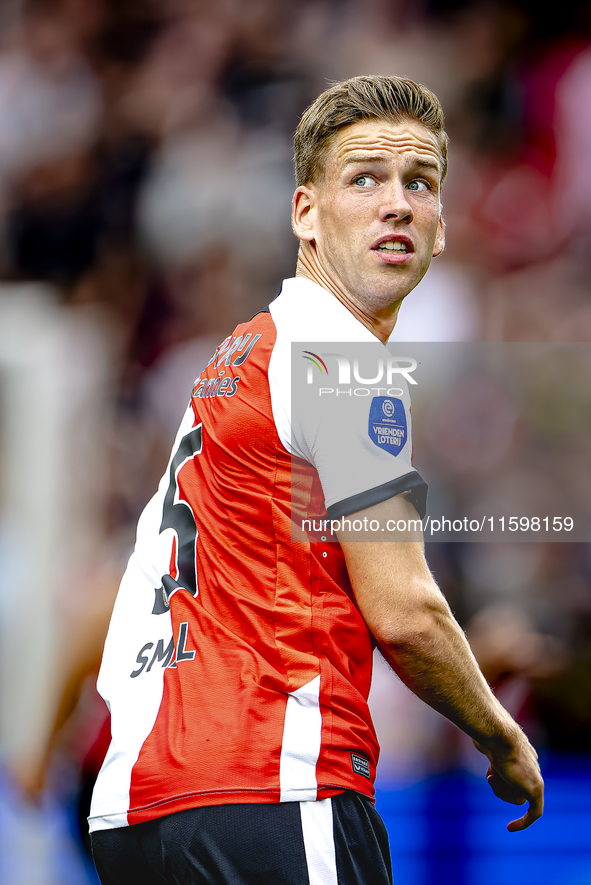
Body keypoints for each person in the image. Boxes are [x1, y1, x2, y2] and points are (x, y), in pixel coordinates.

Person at [89, 75, 544, 885]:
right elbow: (404, 610)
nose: (397, 203)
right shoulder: (343, 362)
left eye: (420, 183)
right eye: (363, 178)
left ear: (440, 229)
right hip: (273, 790)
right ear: (304, 213)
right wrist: (498, 733)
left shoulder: (240, 356)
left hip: (139, 808)